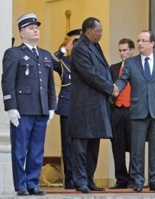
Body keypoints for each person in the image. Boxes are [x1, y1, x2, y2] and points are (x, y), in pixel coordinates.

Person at [1, 13, 58, 196]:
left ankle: (33, 183)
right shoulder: (14, 53)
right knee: (20, 149)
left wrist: (51, 107)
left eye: (37, 27)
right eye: (31, 27)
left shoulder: (45, 55)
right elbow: (7, 81)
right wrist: (11, 107)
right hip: (23, 109)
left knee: (36, 150)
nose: (36, 30)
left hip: (41, 109)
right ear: (22, 33)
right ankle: (21, 185)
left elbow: (50, 84)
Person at [114, 30, 155, 193]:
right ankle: (137, 180)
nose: (139, 43)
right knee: (137, 149)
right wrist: (115, 88)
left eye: (143, 40)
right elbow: (123, 79)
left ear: (152, 44)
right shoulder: (131, 63)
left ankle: (154, 181)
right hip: (138, 110)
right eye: (138, 40)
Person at [68, 17, 117, 194]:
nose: (102, 33)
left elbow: (103, 70)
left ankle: (89, 179)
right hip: (83, 105)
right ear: (89, 31)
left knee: (93, 144)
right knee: (81, 145)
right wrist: (110, 87)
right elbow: (90, 74)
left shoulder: (95, 46)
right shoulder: (80, 48)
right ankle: (80, 180)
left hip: (96, 104)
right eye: (99, 30)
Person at [52, 28, 81, 189]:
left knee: (84, 144)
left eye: (80, 41)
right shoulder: (64, 62)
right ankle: (70, 180)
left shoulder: (89, 60)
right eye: (74, 41)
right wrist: (65, 49)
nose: (77, 45)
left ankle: (83, 178)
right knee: (68, 145)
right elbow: (50, 62)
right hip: (67, 107)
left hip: (83, 107)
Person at [109, 38, 135, 189]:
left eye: (125, 50)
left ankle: (133, 179)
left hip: (132, 111)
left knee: (134, 146)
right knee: (117, 146)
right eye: (120, 50)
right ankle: (121, 179)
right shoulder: (113, 68)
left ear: (132, 51)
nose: (122, 53)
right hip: (117, 110)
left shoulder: (138, 67)